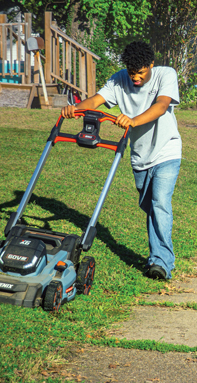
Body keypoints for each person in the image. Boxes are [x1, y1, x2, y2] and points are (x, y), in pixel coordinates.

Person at [60, 41, 182, 279]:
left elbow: (161, 106)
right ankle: (159, 256)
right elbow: (95, 101)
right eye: (131, 72)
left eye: (141, 72)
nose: (135, 77)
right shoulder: (119, 80)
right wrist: (74, 109)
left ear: (151, 65)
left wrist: (133, 120)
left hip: (167, 150)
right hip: (141, 156)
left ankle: (161, 263)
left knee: (159, 203)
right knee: (150, 207)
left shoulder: (166, 75)